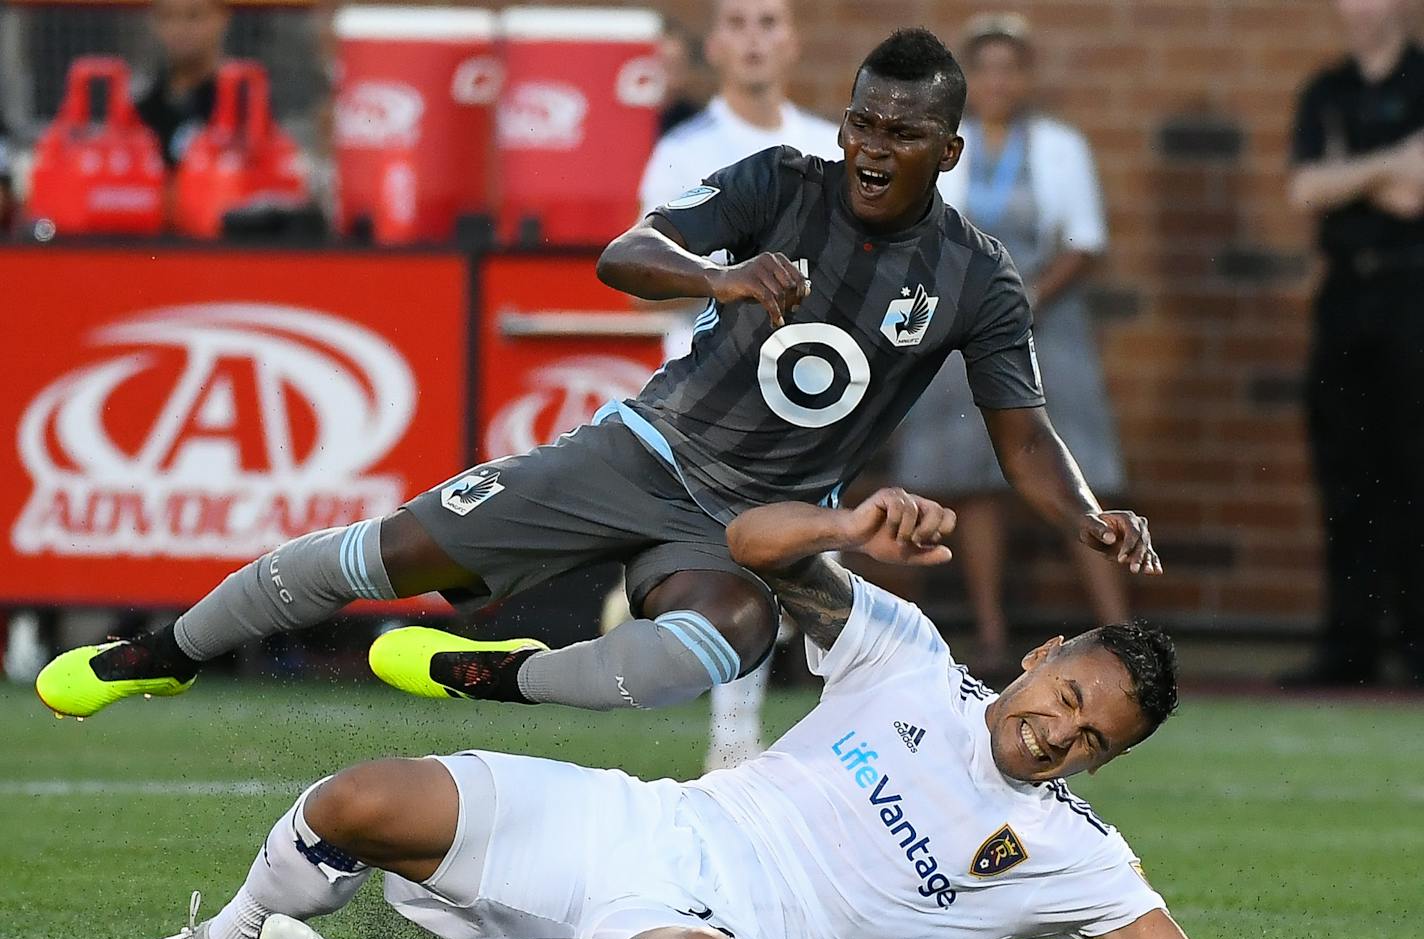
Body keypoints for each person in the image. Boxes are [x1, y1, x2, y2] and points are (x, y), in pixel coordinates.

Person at [37, 28, 1160, 728]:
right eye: (863, 120)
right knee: (386, 555)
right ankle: (161, 655)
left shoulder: (977, 277)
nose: (871, 147)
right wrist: (715, 280)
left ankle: (500, 678)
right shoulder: (782, 179)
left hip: (754, 519)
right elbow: (622, 252)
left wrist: (1086, 515)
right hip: (640, 452)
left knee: (728, 639)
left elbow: (1022, 435)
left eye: (902, 134)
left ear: (945, 152)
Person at [105, 488, 1377, 939]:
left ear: (1101, 766)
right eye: (1066, 696)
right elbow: (750, 544)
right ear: (1043, 655)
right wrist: (850, 521)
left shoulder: (1070, 854)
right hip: (644, 829)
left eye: (1092, 739)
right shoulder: (909, 662)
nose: (1057, 730)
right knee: (360, 800)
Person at [635, 0, 842, 769]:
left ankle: (839, 741)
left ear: (794, 40)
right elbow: (651, 266)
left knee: (816, 568)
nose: (754, 40)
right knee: (741, 561)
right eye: (739, 23)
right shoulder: (682, 152)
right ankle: (733, 742)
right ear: (714, 45)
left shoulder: (829, 145)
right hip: (710, 391)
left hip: (812, 391)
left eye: (769, 22)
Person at [892, 13, 1126, 674]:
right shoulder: (940, 143)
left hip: (1046, 330)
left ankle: (1122, 634)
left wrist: (1028, 297)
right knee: (973, 480)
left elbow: (1084, 241)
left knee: (1077, 474)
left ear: (1026, 77)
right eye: (984, 69)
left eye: (1009, 68)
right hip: (961, 330)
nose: (997, 81)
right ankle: (991, 635)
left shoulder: (1059, 146)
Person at [1286, 0, 1424, 687]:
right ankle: (1350, 642)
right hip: (1345, 299)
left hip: (1414, 294)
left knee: (1414, 469)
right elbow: (1307, 189)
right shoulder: (1326, 91)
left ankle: (1415, 641)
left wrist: (1351, 172)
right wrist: (1391, 164)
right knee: (1346, 474)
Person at [135, 0, 229, 168]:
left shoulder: (241, 102)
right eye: (167, 16)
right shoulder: (142, 102)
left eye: (194, 15)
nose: (179, 28)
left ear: (222, 17)